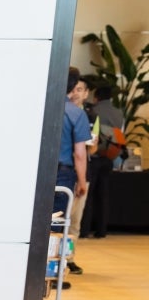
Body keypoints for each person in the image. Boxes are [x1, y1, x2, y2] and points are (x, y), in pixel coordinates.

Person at [54, 68, 92, 283]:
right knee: (60, 225)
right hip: (64, 174)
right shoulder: (76, 113)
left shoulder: (45, 106)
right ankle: (55, 273)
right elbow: (80, 154)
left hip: (43, 174)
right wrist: (81, 180)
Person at [83, 84, 125, 238]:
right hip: (109, 156)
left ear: (96, 97)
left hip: (93, 156)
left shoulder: (93, 112)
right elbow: (121, 134)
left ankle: (84, 230)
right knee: (103, 195)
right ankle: (102, 230)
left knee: (88, 195)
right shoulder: (119, 113)